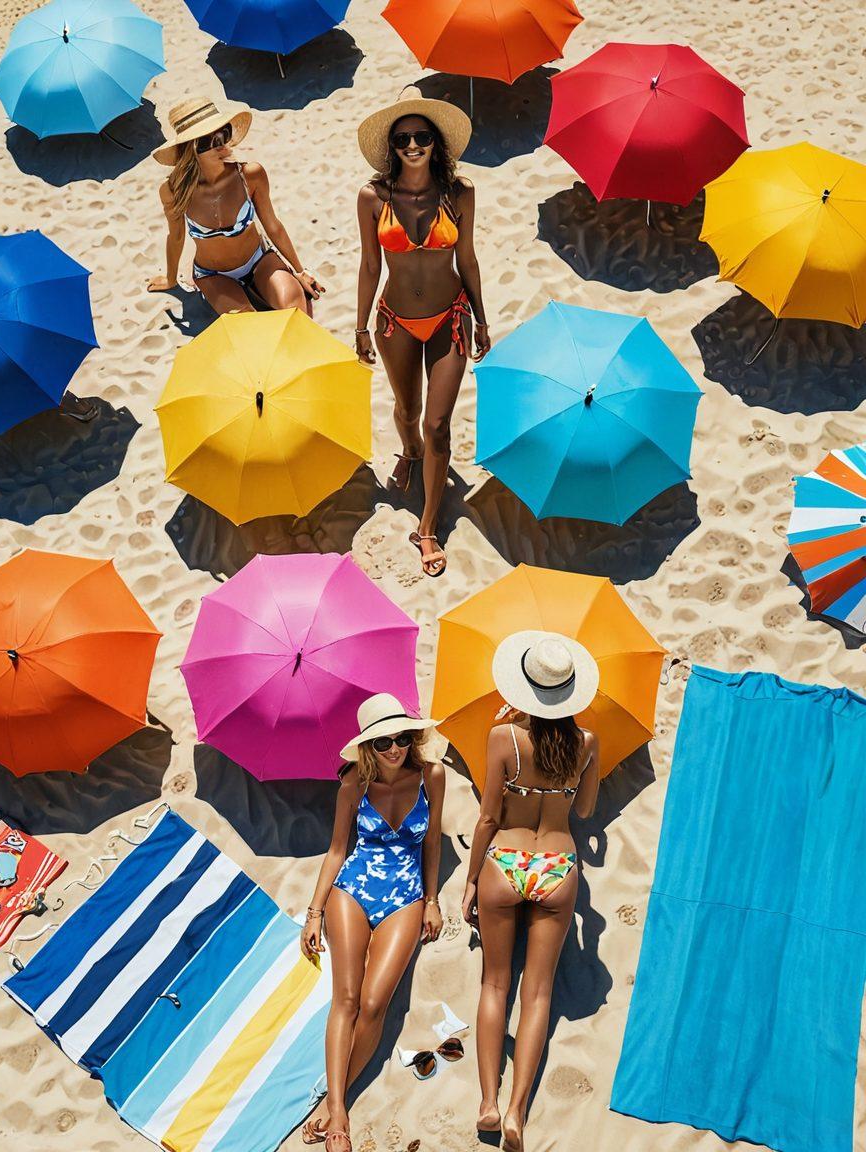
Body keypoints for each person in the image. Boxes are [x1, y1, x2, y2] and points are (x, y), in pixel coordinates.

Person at [462, 631, 601, 1152]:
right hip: (557, 866)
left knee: (494, 984)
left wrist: (471, 880)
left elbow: (487, 818)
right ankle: (518, 1112)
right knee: (538, 992)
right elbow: (584, 810)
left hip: (506, 860)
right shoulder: (587, 742)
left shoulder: (504, 738)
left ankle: (488, 1103)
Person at [300, 693, 445, 1152]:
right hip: (353, 890)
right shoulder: (353, 785)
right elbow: (337, 850)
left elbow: (433, 841)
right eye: (384, 742)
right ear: (368, 746)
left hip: (405, 895)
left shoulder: (431, 776)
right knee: (346, 999)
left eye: (402, 738)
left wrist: (432, 899)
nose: (395, 748)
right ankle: (339, 1114)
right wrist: (314, 911)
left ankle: (332, 1099)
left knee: (375, 1003)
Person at [355, 88, 490, 578]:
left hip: (450, 317)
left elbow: (467, 258)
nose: (413, 145)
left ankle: (427, 526)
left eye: (422, 137)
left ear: (437, 143)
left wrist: (481, 318)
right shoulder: (374, 197)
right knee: (408, 411)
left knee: (437, 425)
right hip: (394, 321)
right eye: (403, 139)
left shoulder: (459, 193)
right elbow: (370, 266)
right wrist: (360, 325)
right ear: (392, 147)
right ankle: (410, 452)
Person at [147, 97, 323, 314]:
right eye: (212, 141)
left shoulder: (250, 174)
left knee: (296, 312)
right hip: (213, 275)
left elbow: (273, 225)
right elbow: (176, 237)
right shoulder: (174, 191)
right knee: (246, 324)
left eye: (225, 133)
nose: (223, 145)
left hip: (259, 260)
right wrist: (170, 279)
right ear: (192, 149)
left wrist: (299, 271)